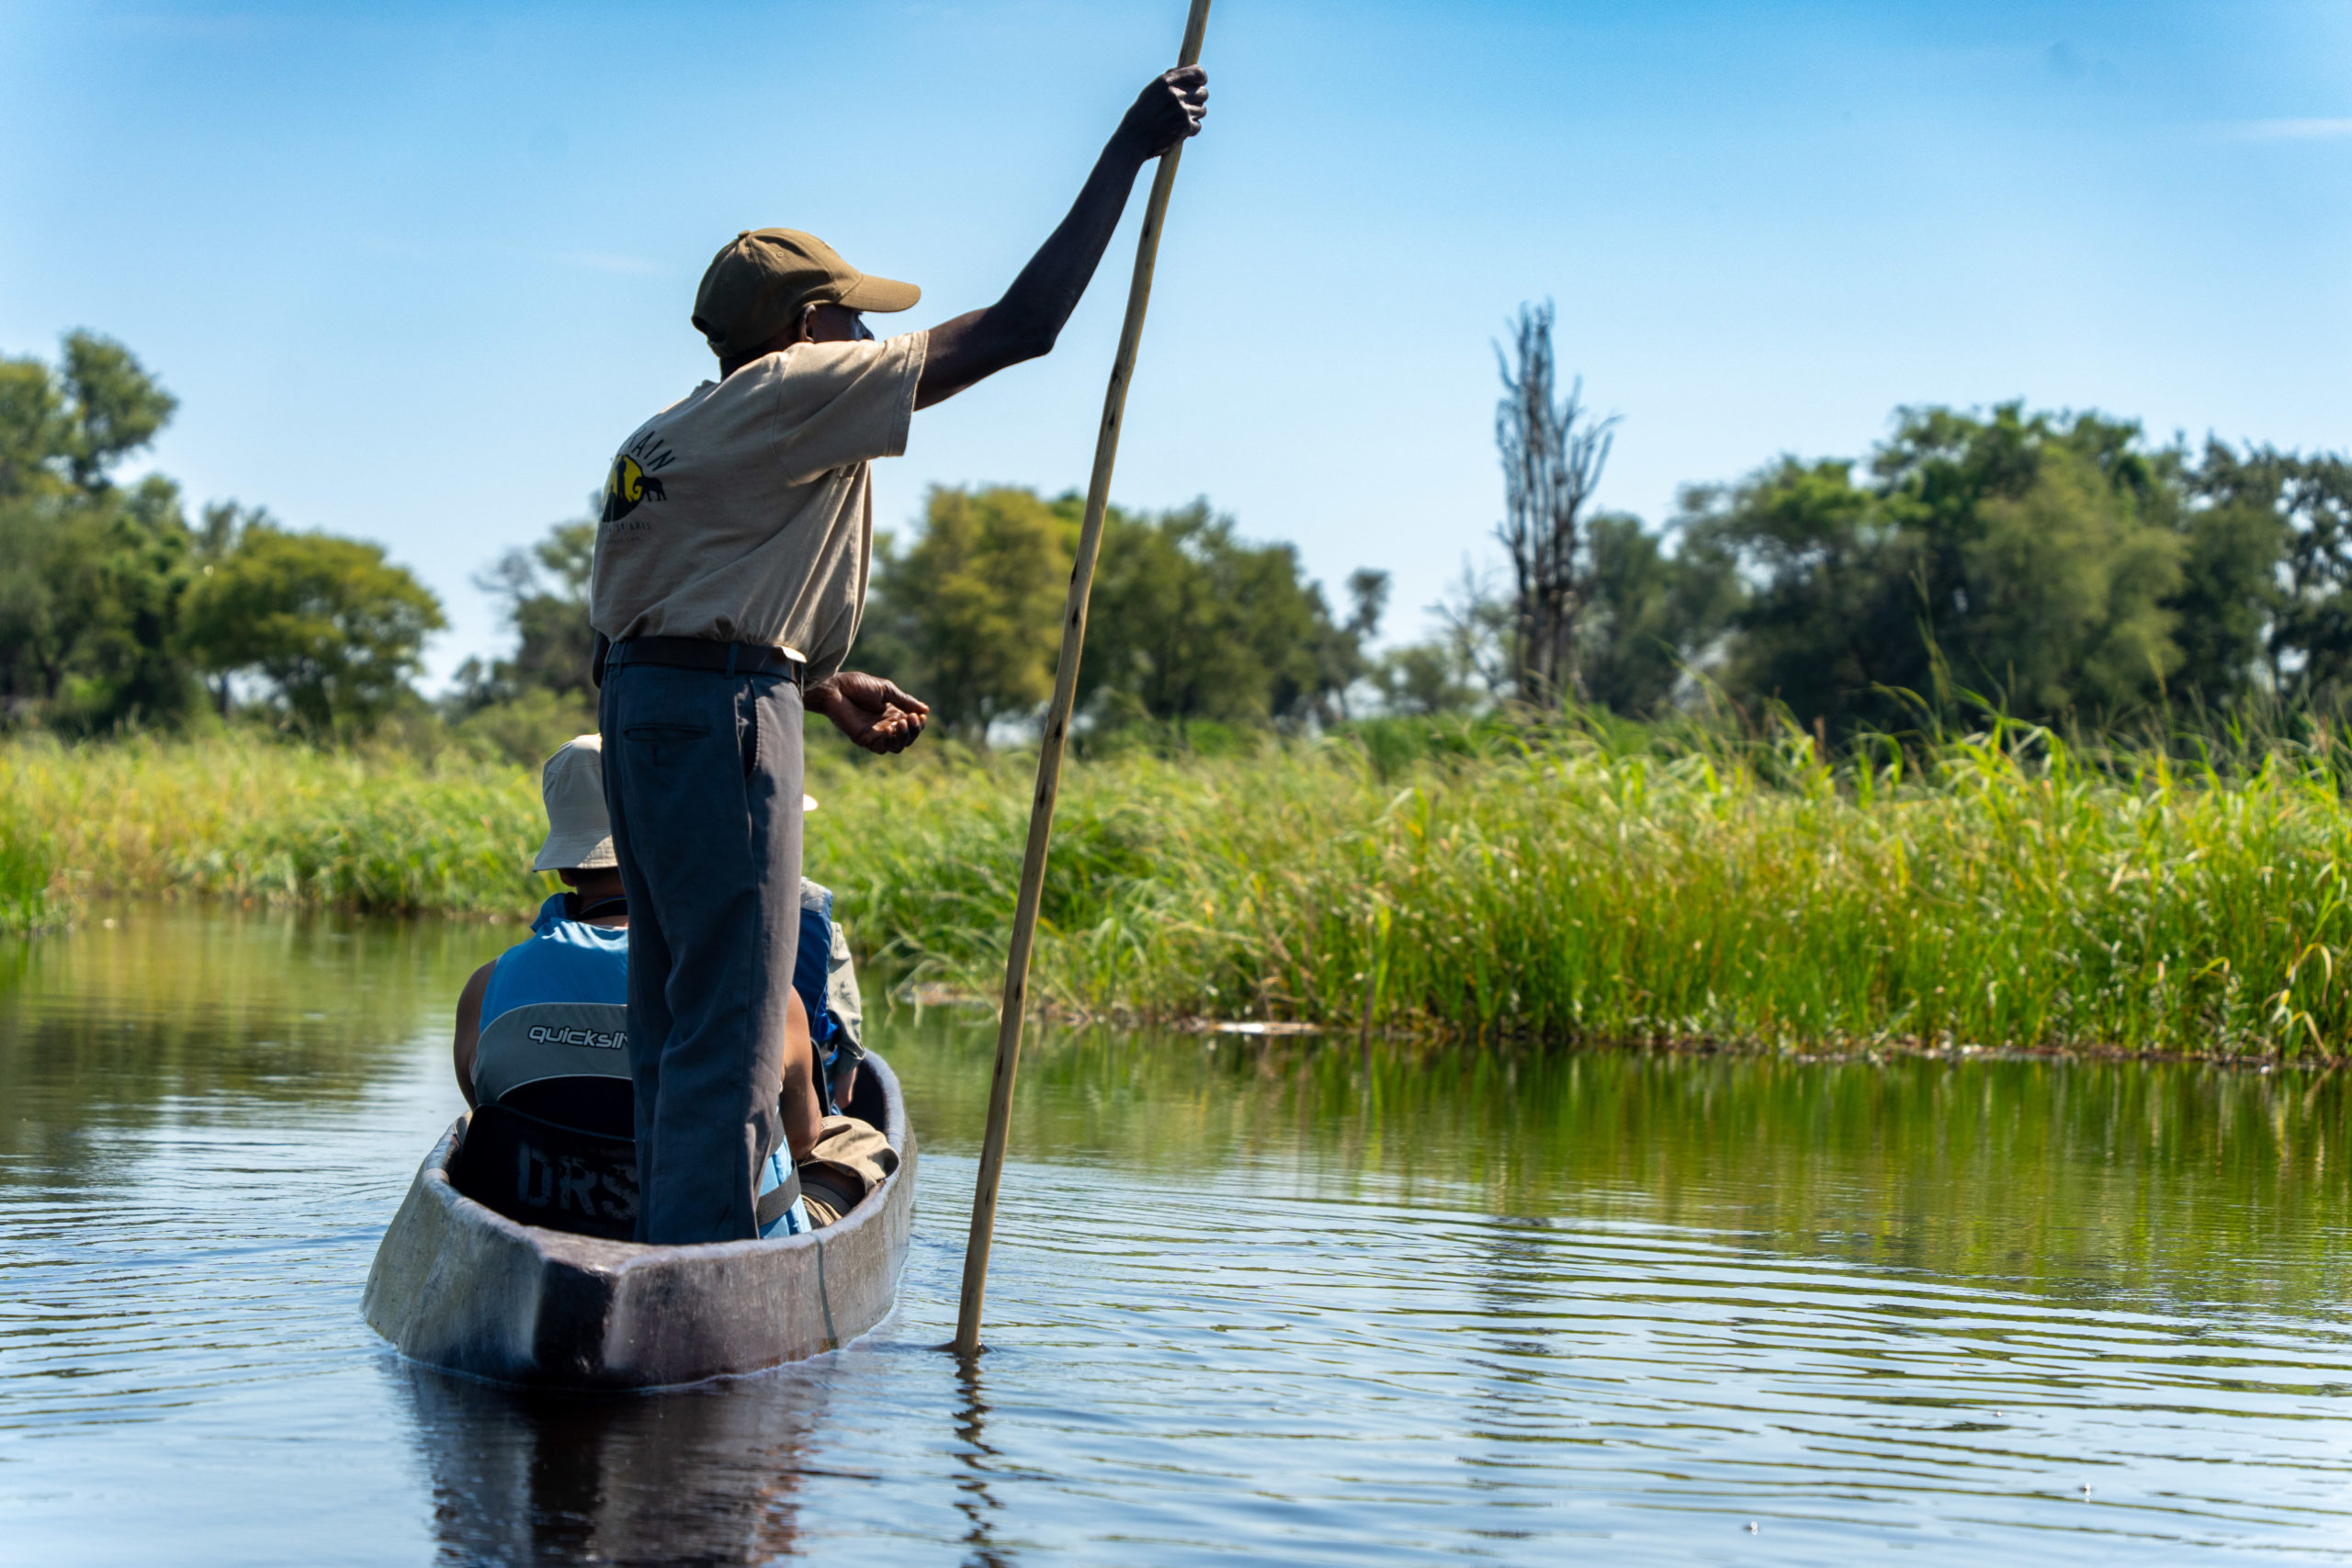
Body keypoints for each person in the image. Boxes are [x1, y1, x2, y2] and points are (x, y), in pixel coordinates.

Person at [589, 64, 1210, 1244]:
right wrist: (1127, 147)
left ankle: (666, 1257)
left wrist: (816, 685)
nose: (873, 337)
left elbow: (661, 607)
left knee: (676, 1008)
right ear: (807, 328)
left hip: (645, 710)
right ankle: (705, 1290)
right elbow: (1024, 330)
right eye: (854, 316)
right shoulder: (797, 387)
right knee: (730, 1018)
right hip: (722, 721)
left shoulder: (664, 433)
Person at [452, 735, 837, 1236]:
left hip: (543, 1232)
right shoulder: (761, 993)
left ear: (567, 868)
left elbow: (487, 1106)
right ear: (679, 848)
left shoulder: (486, 990)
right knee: (854, 1146)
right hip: (716, 1251)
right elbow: (804, 1139)